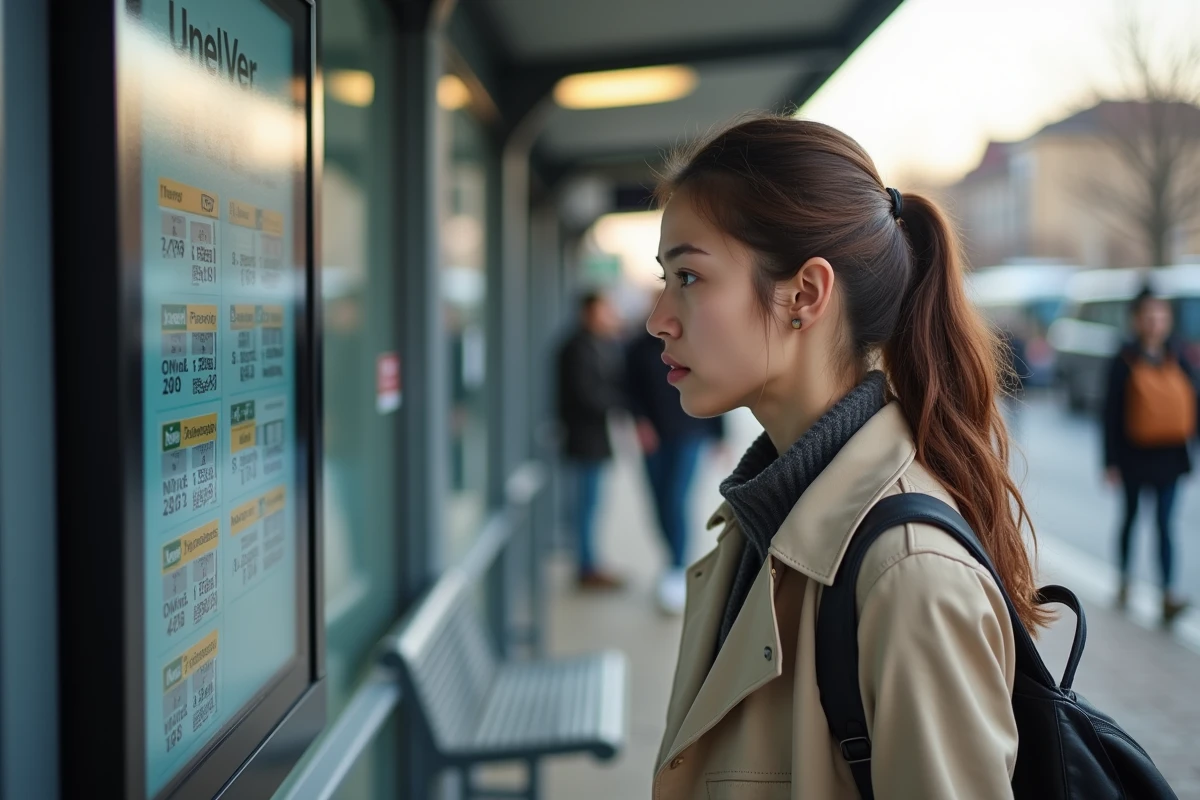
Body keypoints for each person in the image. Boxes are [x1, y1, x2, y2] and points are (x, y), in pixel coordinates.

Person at [647, 117, 1045, 799]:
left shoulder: (908, 574)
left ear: (805, 294)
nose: (659, 316)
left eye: (688, 275)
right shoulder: (759, 518)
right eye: (665, 277)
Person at [1103, 287, 1196, 624]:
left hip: (1170, 458)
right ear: (1137, 320)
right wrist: (1109, 462)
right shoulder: (1123, 358)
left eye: (1161, 317)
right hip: (1132, 457)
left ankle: (1167, 593)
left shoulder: (1179, 356)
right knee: (1130, 519)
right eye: (1149, 317)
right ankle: (1124, 581)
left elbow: (1192, 405)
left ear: (1168, 321)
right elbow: (1110, 414)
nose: (1156, 323)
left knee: (1165, 525)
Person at [625, 328, 725, 614]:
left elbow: (715, 385)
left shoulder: (697, 341)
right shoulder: (638, 347)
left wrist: (719, 434)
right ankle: (671, 561)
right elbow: (628, 388)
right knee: (658, 501)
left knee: (676, 499)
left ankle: (679, 567)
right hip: (654, 437)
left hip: (690, 433)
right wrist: (639, 422)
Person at [555, 291, 628, 590]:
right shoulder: (576, 348)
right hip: (584, 439)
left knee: (591, 504)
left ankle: (590, 562)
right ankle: (586, 567)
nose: (608, 317)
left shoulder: (596, 344)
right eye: (603, 311)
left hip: (593, 438)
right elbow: (586, 395)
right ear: (587, 313)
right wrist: (618, 403)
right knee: (587, 504)